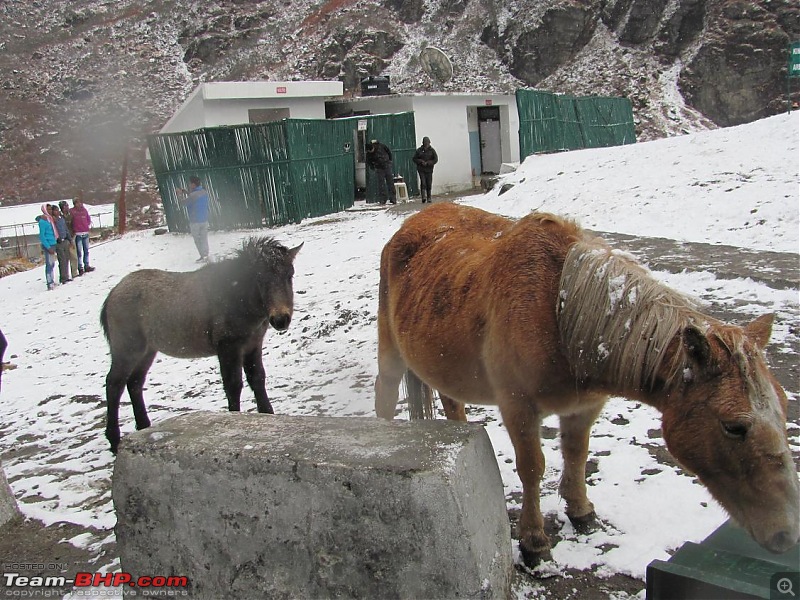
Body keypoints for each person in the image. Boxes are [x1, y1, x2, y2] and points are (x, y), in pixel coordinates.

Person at [178, 176, 210, 262]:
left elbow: (183, 203)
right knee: (204, 238)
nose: (189, 185)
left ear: (193, 184)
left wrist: (179, 195)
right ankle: (206, 255)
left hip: (195, 221)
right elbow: (195, 197)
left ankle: (203, 256)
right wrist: (187, 193)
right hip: (204, 219)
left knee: (198, 239)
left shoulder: (192, 195)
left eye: (190, 183)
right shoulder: (204, 192)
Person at [365, 140, 396, 205]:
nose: (371, 152)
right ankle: (383, 199)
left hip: (386, 165)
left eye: (371, 150)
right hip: (379, 168)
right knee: (381, 184)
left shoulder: (381, 146)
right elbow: (368, 162)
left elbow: (388, 151)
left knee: (390, 183)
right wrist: (373, 167)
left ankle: (393, 198)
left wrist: (389, 161)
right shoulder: (369, 154)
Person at [70, 194, 95, 274]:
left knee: (86, 250)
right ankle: (80, 267)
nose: (79, 204)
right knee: (79, 251)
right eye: (77, 203)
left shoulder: (84, 210)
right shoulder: (72, 211)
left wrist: (86, 225)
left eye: (80, 202)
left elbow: (88, 218)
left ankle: (86, 265)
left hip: (85, 232)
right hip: (78, 234)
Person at [36, 204, 58, 291]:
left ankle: (52, 280)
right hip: (48, 244)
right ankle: (49, 282)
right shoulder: (43, 221)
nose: (50, 211)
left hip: (53, 242)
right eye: (48, 209)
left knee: (52, 263)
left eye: (50, 209)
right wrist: (48, 247)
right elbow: (42, 236)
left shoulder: (50, 219)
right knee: (49, 264)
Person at [413, 136, 438, 203]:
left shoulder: (432, 151)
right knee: (423, 182)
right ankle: (423, 197)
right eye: (425, 143)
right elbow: (414, 159)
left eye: (427, 143)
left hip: (429, 169)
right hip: (421, 169)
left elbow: (435, 159)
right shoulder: (419, 150)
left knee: (429, 183)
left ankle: (429, 197)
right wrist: (421, 161)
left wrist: (429, 163)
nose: (426, 144)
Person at [51, 205, 72, 284]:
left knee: (66, 258)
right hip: (58, 242)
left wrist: (70, 239)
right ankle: (63, 277)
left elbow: (66, 229)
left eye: (57, 210)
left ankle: (66, 276)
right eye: (55, 210)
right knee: (62, 259)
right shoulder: (52, 220)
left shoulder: (61, 219)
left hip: (65, 240)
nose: (57, 212)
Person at [59, 200, 79, 279]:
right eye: (65, 206)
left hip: (72, 237)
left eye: (67, 206)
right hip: (64, 239)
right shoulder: (60, 217)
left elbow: (74, 224)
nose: (67, 207)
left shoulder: (71, 215)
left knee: (74, 256)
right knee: (66, 258)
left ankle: (74, 272)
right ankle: (65, 275)